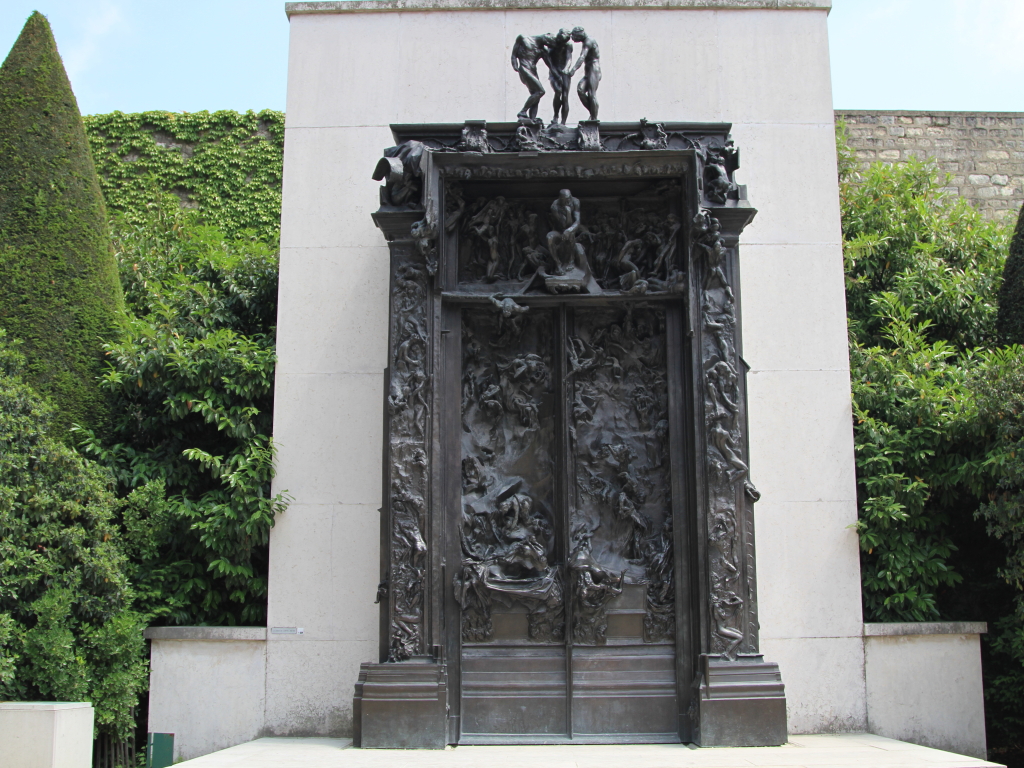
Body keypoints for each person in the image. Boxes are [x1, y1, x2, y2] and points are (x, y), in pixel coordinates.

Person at [511, 34, 548, 120]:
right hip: (524, 69)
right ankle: (523, 111)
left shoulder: (542, 49)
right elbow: (514, 54)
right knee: (540, 91)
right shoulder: (523, 38)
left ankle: (532, 118)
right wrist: (515, 64)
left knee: (536, 95)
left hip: (533, 71)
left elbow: (550, 64)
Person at [567, 27, 601, 121]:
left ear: (580, 34)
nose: (573, 39)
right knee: (580, 90)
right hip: (588, 70)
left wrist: (573, 69)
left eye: (574, 36)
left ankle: (594, 118)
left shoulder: (588, 41)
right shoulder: (585, 41)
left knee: (591, 93)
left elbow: (582, 57)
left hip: (594, 69)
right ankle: (593, 113)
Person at [546, 28, 574, 125]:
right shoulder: (552, 43)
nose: (562, 43)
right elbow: (548, 60)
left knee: (565, 96)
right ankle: (556, 115)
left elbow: (569, 58)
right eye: (561, 40)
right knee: (558, 91)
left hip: (564, 72)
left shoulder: (568, 45)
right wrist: (555, 73)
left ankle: (563, 122)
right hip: (554, 71)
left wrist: (566, 68)